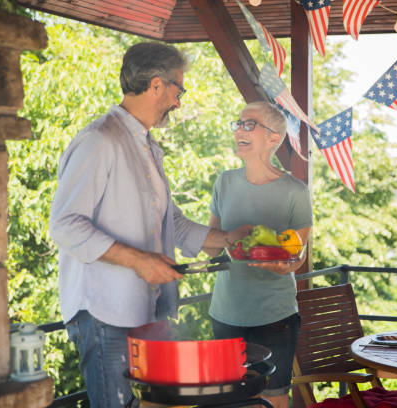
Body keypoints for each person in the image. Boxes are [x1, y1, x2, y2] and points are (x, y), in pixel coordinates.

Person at [49, 42, 250, 408]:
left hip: (147, 309)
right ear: (156, 84)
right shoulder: (99, 140)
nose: (179, 101)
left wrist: (226, 239)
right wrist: (140, 261)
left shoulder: (145, 145)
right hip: (104, 312)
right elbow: (65, 225)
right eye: (178, 89)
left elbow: (168, 221)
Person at [205, 101, 312, 408]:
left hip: (274, 316)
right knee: (230, 400)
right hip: (225, 314)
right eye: (237, 123)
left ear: (274, 137)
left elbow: (296, 254)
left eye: (249, 124)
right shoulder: (224, 182)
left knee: (274, 398)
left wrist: (281, 264)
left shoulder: (295, 192)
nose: (239, 129)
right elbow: (212, 244)